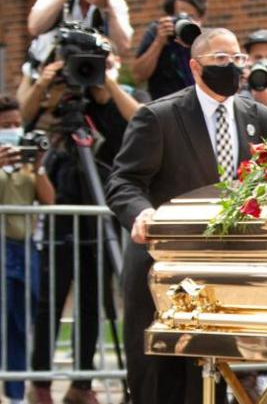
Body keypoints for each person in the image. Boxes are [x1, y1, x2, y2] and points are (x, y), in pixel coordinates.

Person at [106, 28, 267, 404]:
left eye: (237, 59)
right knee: (158, 381)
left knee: (208, 379)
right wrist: (142, 212)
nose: (231, 66)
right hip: (163, 266)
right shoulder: (159, 116)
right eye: (221, 59)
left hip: (221, 270)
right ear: (195, 66)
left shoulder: (260, 118)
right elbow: (124, 181)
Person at [22, 50, 145, 404]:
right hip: (64, 210)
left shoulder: (116, 103)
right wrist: (45, 84)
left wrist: (106, 79)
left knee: (94, 300)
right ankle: (40, 382)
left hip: (101, 212)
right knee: (52, 299)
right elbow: (25, 119)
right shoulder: (64, 101)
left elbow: (139, 119)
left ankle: (81, 383)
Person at [0, 97, 54, 404]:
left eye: (15, 124)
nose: (11, 130)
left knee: (21, 321)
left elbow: (49, 200)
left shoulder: (26, 159)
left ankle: (16, 394)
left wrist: (38, 165)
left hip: (24, 247)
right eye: (4, 126)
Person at [132, 0, 206, 100]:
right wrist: (159, 42)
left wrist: (197, 43)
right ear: (170, 17)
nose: (186, 21)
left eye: (192, 17)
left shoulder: (207, 39)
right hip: (165, 107)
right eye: (181, 16)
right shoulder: (158, 32)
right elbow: (138, 75)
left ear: (201, 19)